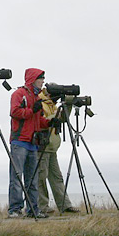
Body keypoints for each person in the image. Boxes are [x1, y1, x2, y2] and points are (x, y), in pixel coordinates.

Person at [8, 68, 49, 219]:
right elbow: (15, 112)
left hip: (32, 142)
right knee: (17, 177)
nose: (43, 81)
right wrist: (32, 110)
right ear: (33, 79)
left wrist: (50, 122)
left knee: (32, 179)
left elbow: (39, 120)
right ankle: (15, 209)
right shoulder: (19, 94)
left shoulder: (38, 97)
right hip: (20, 141)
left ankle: (32, 209)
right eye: (41, 78)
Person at [36, 87, 80, 215]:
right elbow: (44, 121)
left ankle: (65, 205)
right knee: (41, 178)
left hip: (52, 147)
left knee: (57, 178)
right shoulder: (41, 103)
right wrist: (54, 116)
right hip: (42, 145)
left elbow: (61, 119)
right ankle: (43, 206)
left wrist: (68, 105)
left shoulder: (52, 105)